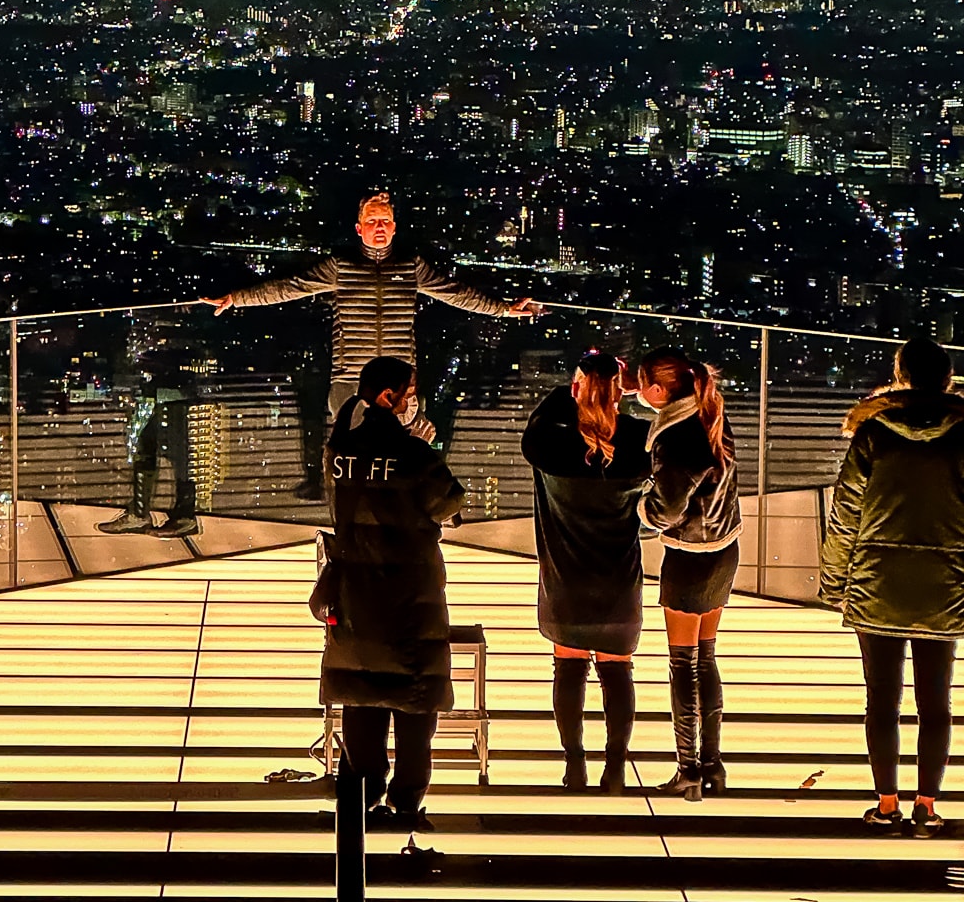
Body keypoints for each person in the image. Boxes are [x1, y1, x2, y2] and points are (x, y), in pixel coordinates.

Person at [203, 191, 542, 490]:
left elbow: (455, 294)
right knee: (354, 462)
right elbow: (290, 287)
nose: (379, 227)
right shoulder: (341, 267)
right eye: (373, 220)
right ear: (359, 228)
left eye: (385, 221)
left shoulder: (411, 266)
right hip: (351, 378)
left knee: (401, 460)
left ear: (394, 228)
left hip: (398, 383)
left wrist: (504, 310)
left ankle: (413, 517)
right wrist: (237, 298)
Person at [312, 355, 466, 829]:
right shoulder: (414, 453)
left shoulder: (339, 450)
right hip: (409, 589)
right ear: (389, 397)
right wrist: (419, 444)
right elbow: (450, 502)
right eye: (410, 392)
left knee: (361, 694)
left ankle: (362, 793)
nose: (413, 401)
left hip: (355, 588)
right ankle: (407, 801)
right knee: (415, 699)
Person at [820, 336, 964, 836]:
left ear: (900, 376)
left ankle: (886, 804)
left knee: (882, 699)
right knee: (936, 702)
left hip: (877, 581)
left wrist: (834, 582)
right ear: (948, 379)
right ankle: (926, 807)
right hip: (945, 585)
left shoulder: (873, 434)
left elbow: (845, 517)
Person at [521, 350, 651, 794]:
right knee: (618, 672)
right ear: (623, 392)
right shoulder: (640, 440)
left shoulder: (548, 443)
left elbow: (541, 419)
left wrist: (577, 389)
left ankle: (573, 765)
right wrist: (616, 392)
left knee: (568, 670)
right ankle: (615, 770)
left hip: (566, 579)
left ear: (577, 388)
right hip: (618, 577)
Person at [637, 347, 741, 801]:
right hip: (724, 550)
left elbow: (667, 508)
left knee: (683, 664)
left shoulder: (675, 436)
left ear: (660, 391)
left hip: (689, 556)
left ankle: (688, 769)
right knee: (707, 657)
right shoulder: (710, 415)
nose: (637, 391)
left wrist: (641, 507)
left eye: (642, 383)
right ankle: (714, 765)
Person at [99, 320, 201, 536]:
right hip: (156, 390)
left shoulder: (179, 311)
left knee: (177, 455)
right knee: (148, 451)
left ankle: (183, 516)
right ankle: (143, 513)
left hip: (173, 391)